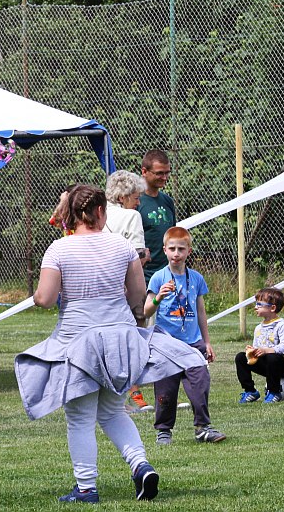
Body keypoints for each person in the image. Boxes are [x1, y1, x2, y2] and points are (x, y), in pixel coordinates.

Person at [15, 185, 207, 504]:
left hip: (78, 344)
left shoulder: (59, 249)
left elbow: (45, 299)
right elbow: (136, 298)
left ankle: (87, 488)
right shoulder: (122, 246)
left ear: (72, 214)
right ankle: (141, 466)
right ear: (101, 211)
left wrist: (41, 294)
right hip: (121, 340)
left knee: (80, 418)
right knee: (113, 412)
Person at [144, 226, 226, 445]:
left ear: (189, 251)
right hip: (165, 344)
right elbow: (146, 311)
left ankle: (203, 427)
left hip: (192, 343)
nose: (176, 253)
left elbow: (200, 311)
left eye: (181, 249)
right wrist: (158, 297)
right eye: (172, 249)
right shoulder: (158, 278)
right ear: (165, 250)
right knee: (166, 390)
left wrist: (206, 341)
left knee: (200, 382)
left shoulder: (196, 279)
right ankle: (164, 430)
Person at [104, 169, 152, 412]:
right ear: (122, 198)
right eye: (135, 197)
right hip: (127, 288)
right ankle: (133, 396)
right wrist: (145, 255)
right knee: (132, 342)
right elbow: (136, 256)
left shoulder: (98, 215)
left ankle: (111, 396)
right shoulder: (131, 217)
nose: (139, 202)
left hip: (102, 290)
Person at [235, 287, 284, 403]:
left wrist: (267, 350)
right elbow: (258, 348)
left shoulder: (281, 325)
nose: (255, 307)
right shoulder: (258, 328)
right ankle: (250, 391)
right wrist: (253, 351)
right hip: (267, 363)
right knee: (240, 357)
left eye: (259, 304)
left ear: (272, 308)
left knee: (272, 357)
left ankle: (274, 392)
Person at [138, 150, 175, 284]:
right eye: (159, 173)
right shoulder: (135, 202)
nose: (164, 177)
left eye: (167, 173)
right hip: (144, 278)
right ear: (144, 172)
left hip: (168, 275)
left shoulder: (168, 201)